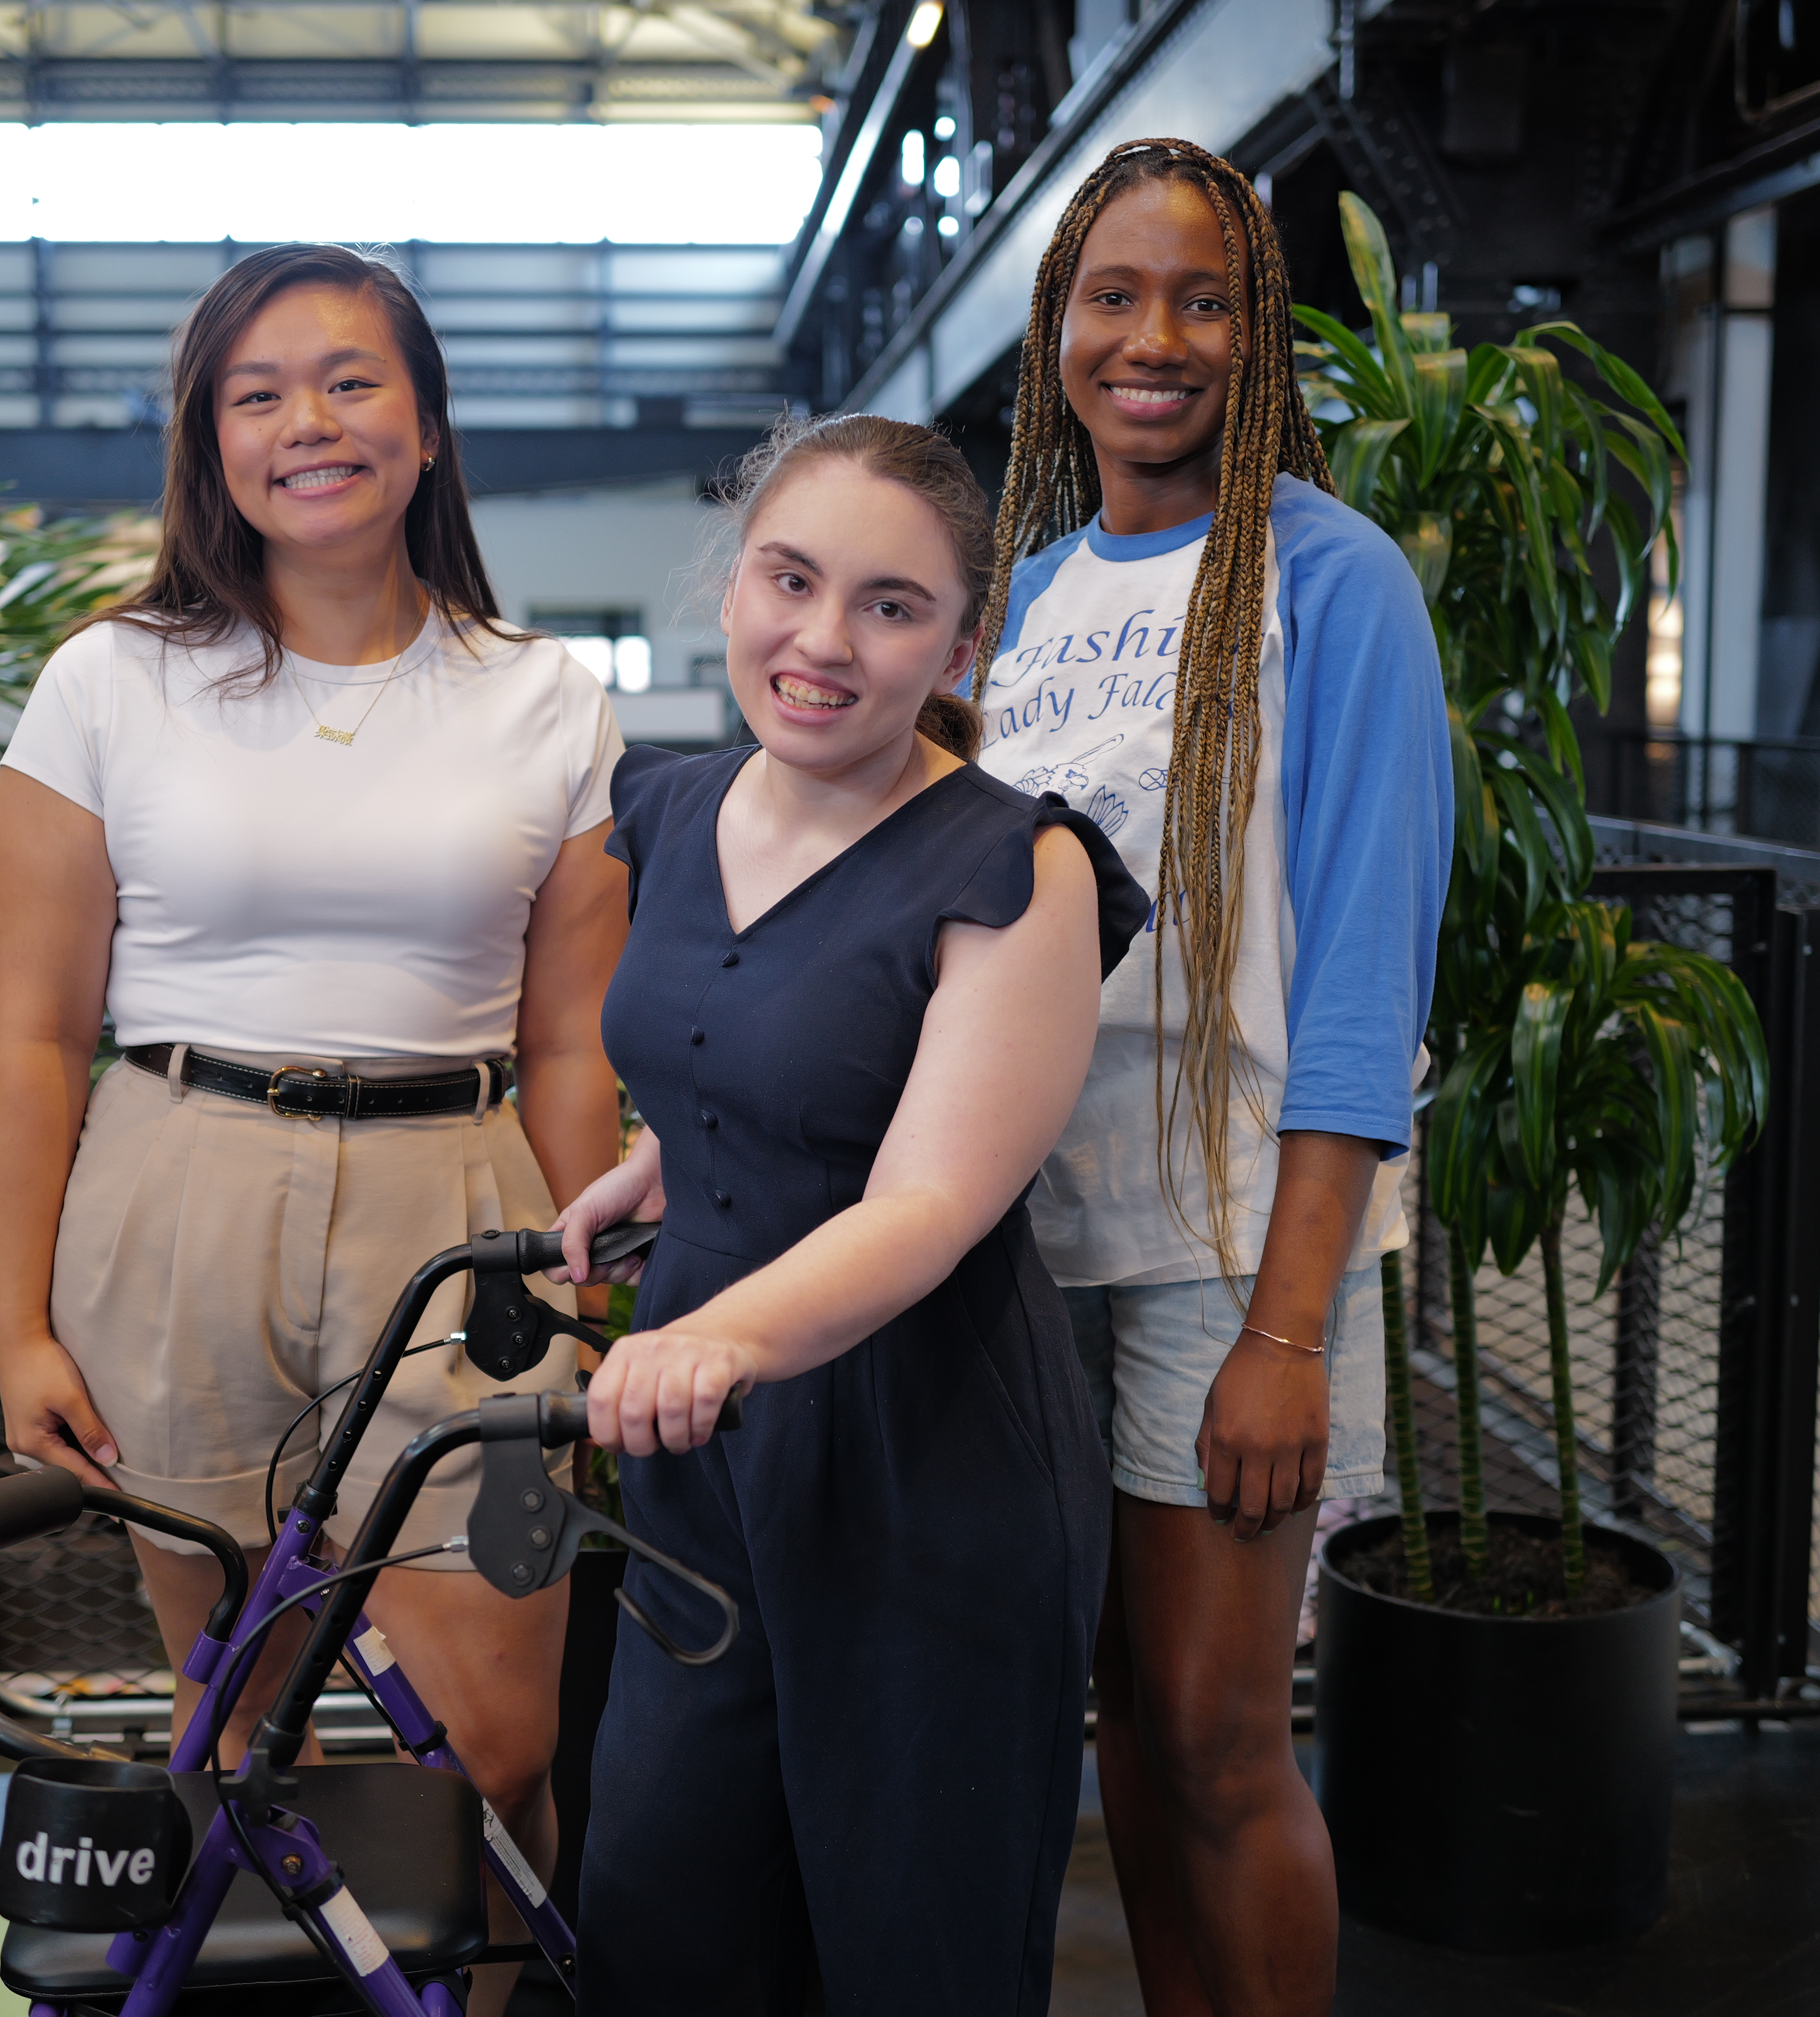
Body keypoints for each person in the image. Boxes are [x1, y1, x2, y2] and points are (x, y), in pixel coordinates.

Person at [0, 243, 628, 2009]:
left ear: (422, 425)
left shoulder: (546, 695)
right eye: (256, 392)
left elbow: (571, 1038)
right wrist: (17, 1319)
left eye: (349, 380)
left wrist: (605, 1279)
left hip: (468, 1221)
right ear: (210, 439)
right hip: (178, 1189)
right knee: (234, 1723)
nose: (307, 422)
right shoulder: (109, 682)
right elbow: (33, 1039)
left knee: (491, 1733)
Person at [548, 414, 1148, 2013]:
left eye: (888, 606)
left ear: (963, 642)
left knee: (907, 1939)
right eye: (788, 580)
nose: (819, 641)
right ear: (730, 581)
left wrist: (714, 1333)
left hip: (918, 1460)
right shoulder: (667, 810)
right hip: (699, 1459)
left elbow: (936, 1193)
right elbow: (760, 1047)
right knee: (661, 1907)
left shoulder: (1016, 866)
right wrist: (676, 1153)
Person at [972, 139, 1454, 2015]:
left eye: (1202, 298)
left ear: (1257, 339)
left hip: (1229, 1235)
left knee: (1217, 1734)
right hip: (1028, 1231)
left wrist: (1287, 1322)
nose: (1151, 337)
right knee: (1116, 1718)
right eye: (1114, 294)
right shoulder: (1018, 601)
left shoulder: (1331, 586)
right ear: (1057, 326)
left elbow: (1355, 976)